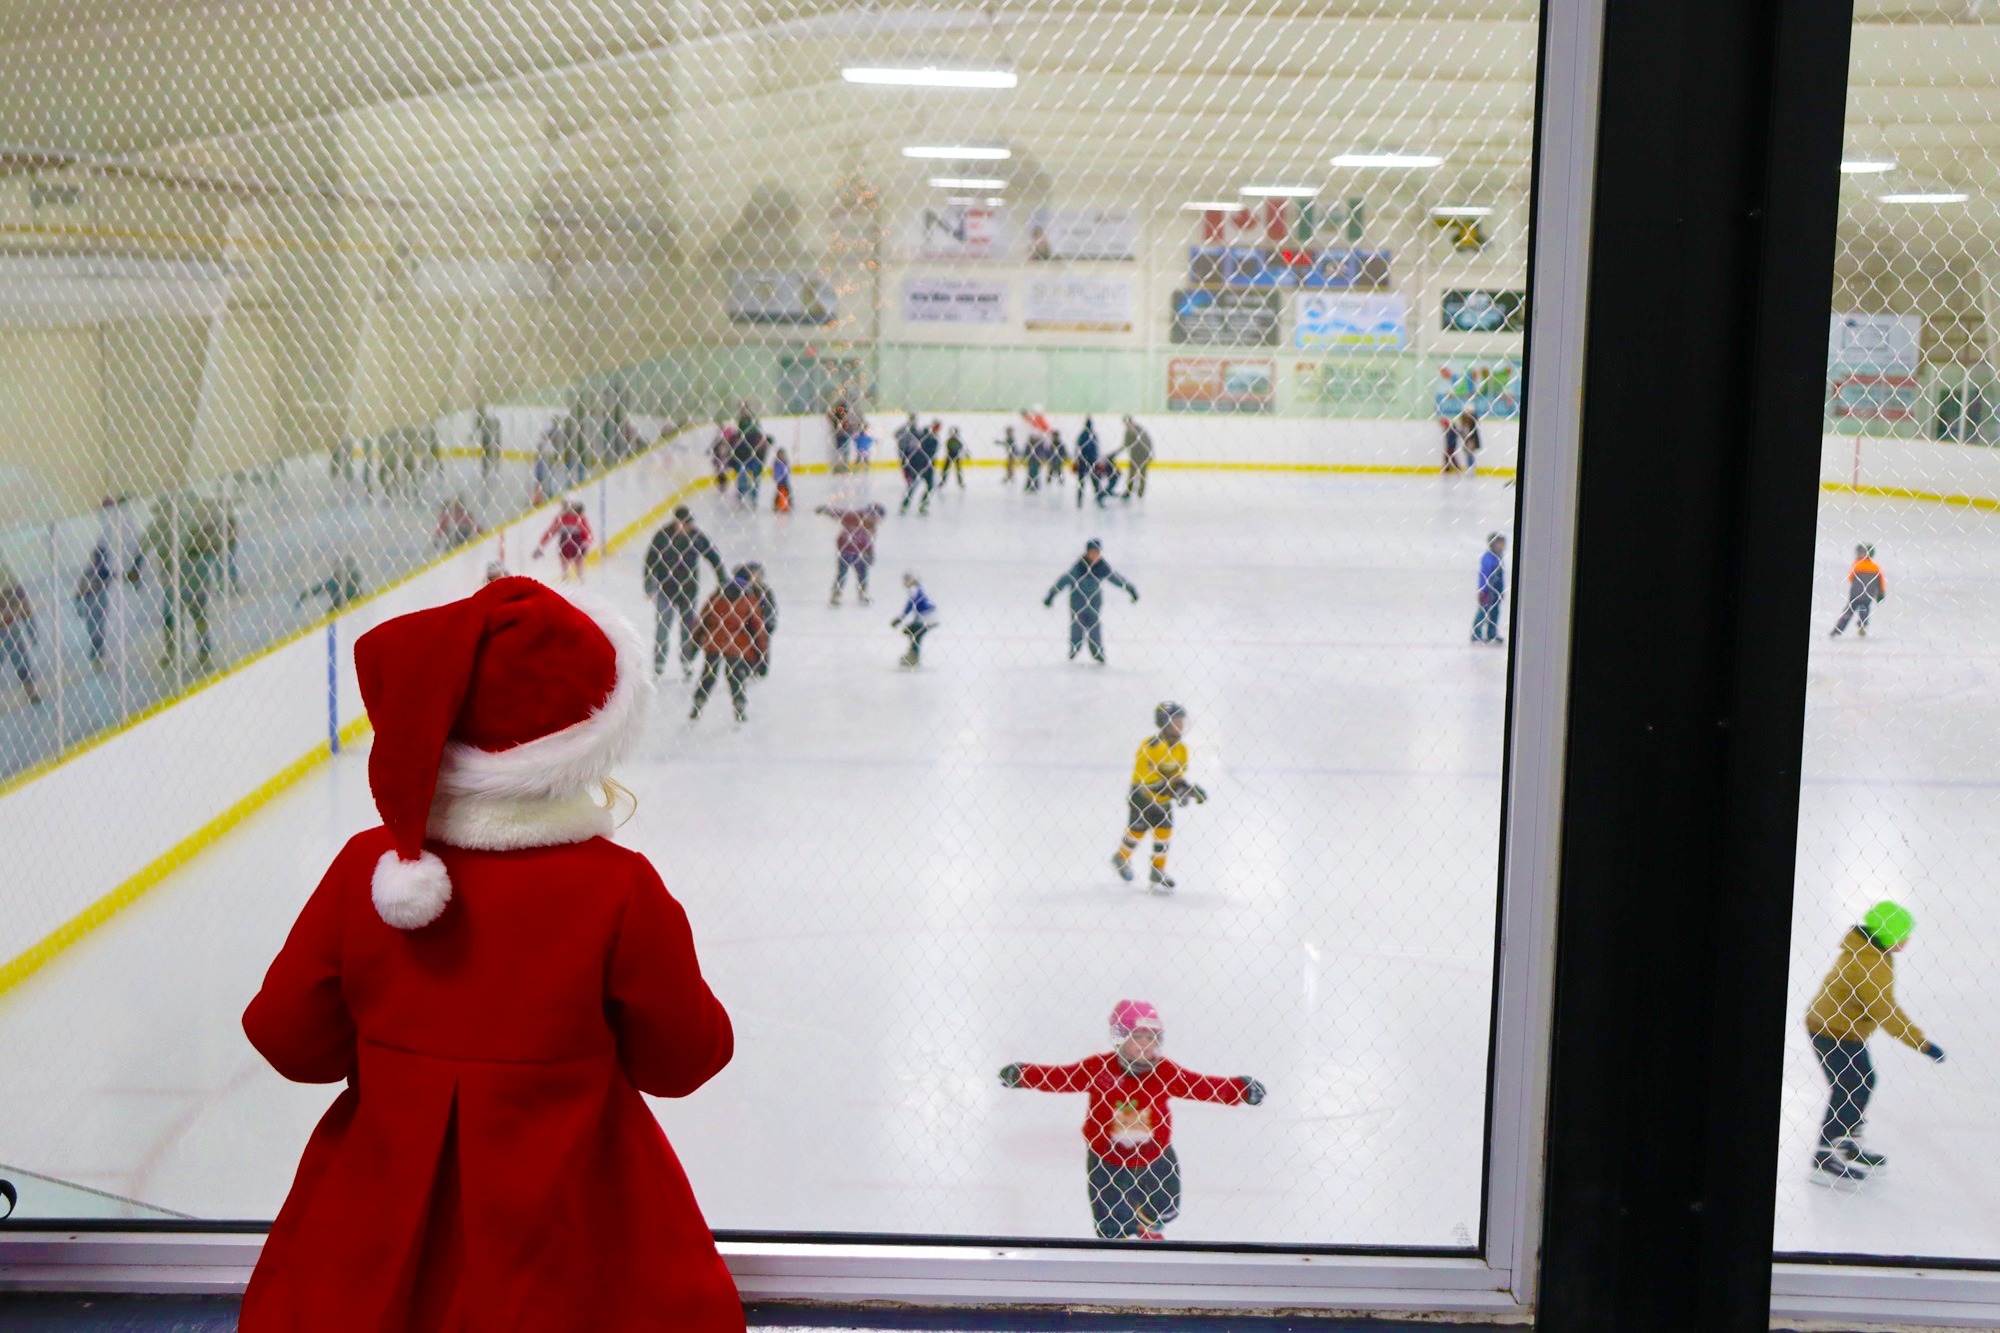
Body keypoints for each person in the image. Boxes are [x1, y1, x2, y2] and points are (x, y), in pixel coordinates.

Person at [239, 577, 743, 1331]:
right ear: (585, 742)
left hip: (375, 1238)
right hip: (573, 1244)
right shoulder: (618, 890)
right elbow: (686, 1059)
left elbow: (287, 1036)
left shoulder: (366, 871)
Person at [998, 1001, 1264, 1242]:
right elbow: (1060, 1078)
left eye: (1152, 1039)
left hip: (1154, 1156)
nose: (1146, 1045)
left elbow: (1201, 1086)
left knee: (1165, 1206)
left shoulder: (1164, 1072)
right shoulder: (1098, 1069)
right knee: (1112, 1223)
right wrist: (1023, 1075)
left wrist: (1240, 1089)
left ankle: (1147, 1226)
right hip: (1107, 1160)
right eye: (1138, 1038)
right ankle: (1120, 1248)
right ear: (1119, 1039)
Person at [1803, 901, 1946, 1183]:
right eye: (1903, 935)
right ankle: (1824, 1153)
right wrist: (1923, 1044)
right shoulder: (1870, 964)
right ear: (1888, 934)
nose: (1907, 941)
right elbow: (1885, 1011)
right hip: (1833, 1032)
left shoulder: (1869, 950)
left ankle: (1847, 1139)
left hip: (1844, 1029)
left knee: (1864, 1080)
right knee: (1849, 1086)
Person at [1112, 702, 1208, 893]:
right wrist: (1174, 791)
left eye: (1182, 721)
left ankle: (1157, 869)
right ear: (1164, 723)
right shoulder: (1151, 747)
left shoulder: (1181, 749)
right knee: (1137, 830)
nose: (1180, 726)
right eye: (1176, 721)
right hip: (1143, 798)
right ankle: (1121, 857)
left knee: (1164, 831)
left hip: (1162, 801)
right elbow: (1147, 781)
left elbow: (1176, 777)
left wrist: (1186, 789)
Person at [129, 496, 225, 671]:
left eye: (168, 510)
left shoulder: (185, 522)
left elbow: (189, 546)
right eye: (163, 511)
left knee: (198, 615)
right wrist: (136, 565)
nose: (165, 514)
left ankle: (204, 650)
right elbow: (143, 545)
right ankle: (174, 651)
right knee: (170, 618)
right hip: (173, 581)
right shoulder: (157, 527)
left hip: (193, 577)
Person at [643, 506, 727, 678]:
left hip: (688, 591)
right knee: (662, 628)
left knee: (687, 629)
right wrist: (649, 587)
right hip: (666, 590)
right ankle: (659, 663)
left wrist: (722, 581)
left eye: (689, 524)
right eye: (684, 524)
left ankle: (686, 660)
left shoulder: (696, 537)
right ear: (677, 522)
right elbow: (650, 561)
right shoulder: (663, 536)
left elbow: (713, 556)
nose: (687, 527)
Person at [690, 569, 767, 724]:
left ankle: (698, 703)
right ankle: (739, 706)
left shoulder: (715, 598)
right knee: (735, 677)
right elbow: (758, 630)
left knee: (708, 676)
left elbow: (701, 622)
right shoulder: (749, 601)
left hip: (714, 643)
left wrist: (693, 647)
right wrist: (762, 657)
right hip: (737, 647)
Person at [1044, 539, 1139, 664]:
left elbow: (1116, 579)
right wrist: (1051, 595)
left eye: (1097, 553)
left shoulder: (1102, 567)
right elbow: (1064, 580)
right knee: (1077, 627)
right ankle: (1074, 648)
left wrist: (1130, 589)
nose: (1094, 556)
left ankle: (1097, 652)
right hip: (1077, 603)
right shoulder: (1079, 567)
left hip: (1094, 603)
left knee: (1095, 628)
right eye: (1092, 552)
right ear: (1087, 553)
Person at [817, 501, 884, 605]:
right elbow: (839, 513)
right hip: (846, 551)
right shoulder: (853, 517)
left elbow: (869, 543)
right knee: (842, 574)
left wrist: (870, 554)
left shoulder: (872, 527)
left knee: (863, 573)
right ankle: (836, 594)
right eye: (875, 518)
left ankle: (862, 592)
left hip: (860, 554)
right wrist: (827, 510)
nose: (876, 521)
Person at [74, 528, 114, 671]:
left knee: (99, 631)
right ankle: (96, 658)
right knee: (95, 632)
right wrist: (79, 607)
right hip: (92, 604)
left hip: (99, 603)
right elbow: (79, 592)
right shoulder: (89, 573)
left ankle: (98, 658)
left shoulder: (103, 573)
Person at [0, 563, 40, 704]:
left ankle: (30, 690)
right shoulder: (10, 579)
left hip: (9, 625)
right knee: (20, 659)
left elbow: (24, 605)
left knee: (20, 659)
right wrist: (31, 631)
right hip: (9, 625)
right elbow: (24, 606)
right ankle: (30, 691)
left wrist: (32, 630)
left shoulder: (9, 578)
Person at [1830, 543, 1886, 638]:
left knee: (1849, 611)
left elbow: (1851, 578)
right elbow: (1881, 581)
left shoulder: (1857, 564)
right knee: (1864, 609)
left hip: (1855, 594)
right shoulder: (1876, 567)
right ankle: (1863, 624)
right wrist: (1881, 593)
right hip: (1868, 595)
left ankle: (1838, 629)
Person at [534, 499, 593, 581]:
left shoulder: (579, 518)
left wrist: (588, 541)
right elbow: (551, 531)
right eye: (566, 505)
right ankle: (567, 582)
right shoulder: (561, 518)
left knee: (579, 570)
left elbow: (587, 531)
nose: (568, 508)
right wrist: (541, 545)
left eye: (570, 505)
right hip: (565, 546)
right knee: (566, 571)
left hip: (576, 545)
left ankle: (579, 583)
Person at [891, 572, 938, 668]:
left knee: (915, 633)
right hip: (929, 617)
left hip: (928, 617)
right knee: (914, 632)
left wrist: (900, 618)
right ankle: (913, 655)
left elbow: (911, 604)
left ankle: (913, 657)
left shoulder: (914, 589)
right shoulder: (918, 589)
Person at [742, 563, 778, 677]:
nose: (755, 577)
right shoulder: (745, 590)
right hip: (748, 624)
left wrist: (769, 621)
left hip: (763, 624)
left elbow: (771, 608)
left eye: (757, 575)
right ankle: (749, 668)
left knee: (762, 645)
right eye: (752, 574)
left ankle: (762, 668)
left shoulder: (765, 591)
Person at [297, 558, 364, 613]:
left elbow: (317, 589)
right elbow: (317, 589)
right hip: (339, 605)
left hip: (354, 601)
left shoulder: (353, 576)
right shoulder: (333, 581)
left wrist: (304, 595)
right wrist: (304, 595)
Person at [896, 414, 928, 514]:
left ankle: (909, 481)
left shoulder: (917, 431)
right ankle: (908, 480)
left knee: (913, 481)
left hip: (915, 458)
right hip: (906, 454)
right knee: (910, 477)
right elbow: (896, 435)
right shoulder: (905, 429)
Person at [1120, 416, 1155, 499]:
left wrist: (1150, 455)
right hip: (1134, 457)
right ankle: (1128, 491)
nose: (1127, 426)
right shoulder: (1127, 432)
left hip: (1143, 457)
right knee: (1131, 475)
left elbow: (1148, 442)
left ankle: (1140, 493)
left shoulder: (1140, 429)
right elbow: (1126, 444)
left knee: (1142, 476)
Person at [1076, 417, 1105, 508]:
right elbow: (1096, 449)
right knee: (1095, 482)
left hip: (1083, 461)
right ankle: (1099, 500)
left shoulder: (1082, 435)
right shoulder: (1093, 435)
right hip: (1092, 461)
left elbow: (1077, 448)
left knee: (1081, 482)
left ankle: (1079, 501)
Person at [771, 448, 793, 513]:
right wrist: (776, 477)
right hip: (779, 481)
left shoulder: (785, 462)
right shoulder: (776, 463)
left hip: (785, 481)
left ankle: (789, 503)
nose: (781, 456)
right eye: (780, 455)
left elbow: (788, 470)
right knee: (778, 493)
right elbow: (775, 471)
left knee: (788, 491)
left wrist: (787, 475)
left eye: (782, 455)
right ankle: (776, 504)